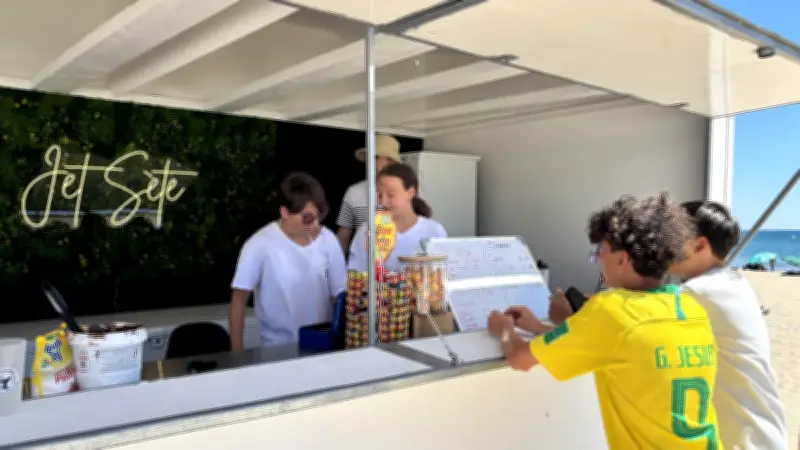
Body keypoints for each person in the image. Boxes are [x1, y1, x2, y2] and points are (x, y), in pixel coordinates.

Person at [487, 192, 723, 449]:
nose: (598, 259)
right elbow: (615, 344)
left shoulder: (610, 310)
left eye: (601, 250)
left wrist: (505, 331)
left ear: (623, 259)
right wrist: (536, 327)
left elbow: (520, 359)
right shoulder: (690, 308)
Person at [668, 200, 787, 449]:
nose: (662, 247)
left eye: (671, 239)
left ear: (700, 245)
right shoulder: (733, 282)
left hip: (743, 439)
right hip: (764, 432)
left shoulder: (698, 291)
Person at [229, 172, 346, 349]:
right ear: (284, 212)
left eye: (318, 216)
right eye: (307, 218)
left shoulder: (328, 239)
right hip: (277, 348)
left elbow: (339, 296)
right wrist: (237, 354)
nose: (314, 225)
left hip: (322, 344)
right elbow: (238, 300)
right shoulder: (259, 244)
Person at [348, 163, 446, 272]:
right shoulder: (368, 230)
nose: (383, 202)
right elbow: (355, 273)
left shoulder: (434, 232)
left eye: (391, 195)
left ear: (410, 193)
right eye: (379, 195)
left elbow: (442, 275)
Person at [336, 134, 401, 252]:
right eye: (369, 157)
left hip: (397, 263)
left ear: (391, 161)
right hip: (362, 263)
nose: (369, 161)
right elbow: (343, 236)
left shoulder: (406, 193)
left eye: (374, 156)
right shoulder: (353, 191)